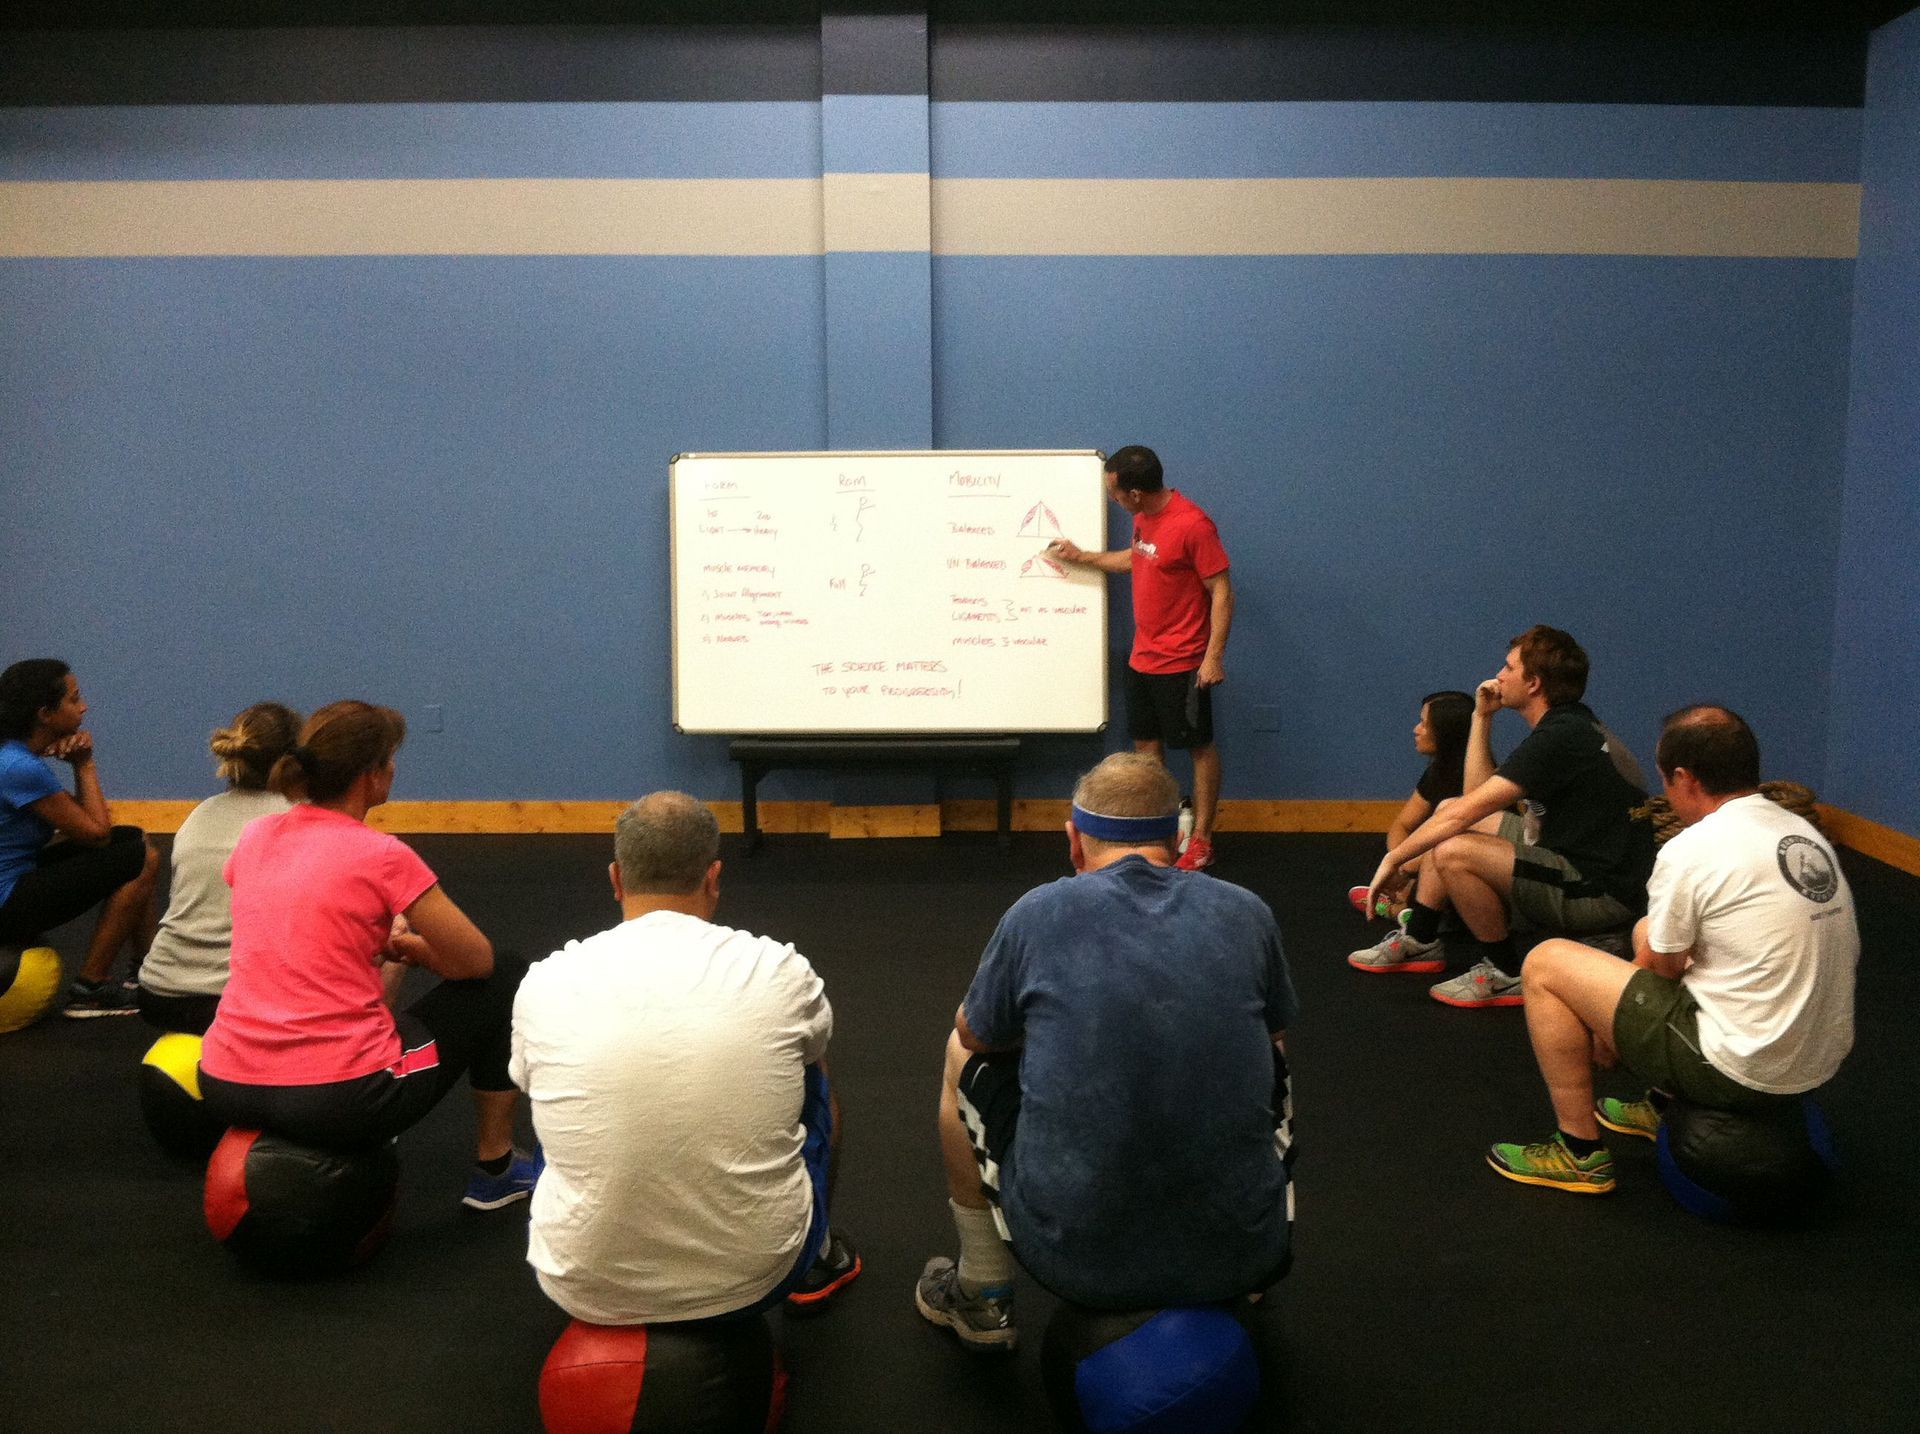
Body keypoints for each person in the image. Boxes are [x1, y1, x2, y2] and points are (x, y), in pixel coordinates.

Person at [917, 753, 1296, 1352]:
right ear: (1177, 839)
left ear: (1074, 840)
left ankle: (982, 1291)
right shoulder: (1246, 911)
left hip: (1075, 1260)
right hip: (1244, 1251)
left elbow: (976, 1035)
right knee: (1272, 1053)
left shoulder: (1037, 912)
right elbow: (1271, 1035)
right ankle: (1246, 1274)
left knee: (956, 1055)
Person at [510, 791, 859, 1325]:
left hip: (577, 1281)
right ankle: (818, 1258)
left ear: (616, 880)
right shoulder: (780, 970)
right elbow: (811, 1064)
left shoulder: (544, 981)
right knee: (812, 1071)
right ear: (713, 878)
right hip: (761, 1274)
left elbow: (531, 1086)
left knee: (560, 1103)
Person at [1487, 706, 1858, 1193]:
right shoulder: (1802, 833)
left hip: (1743, 1070)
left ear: (1684, 778)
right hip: (1818, 1060)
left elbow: (1659, 972)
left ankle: (1578, 1152)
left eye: (1665, 780)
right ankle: (1660, 1105)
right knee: (1647, 929)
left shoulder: (1691, 849)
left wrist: (1605, 1031)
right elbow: (1661, 953)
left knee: (1545, 963)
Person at [198, 701, 538, 1210]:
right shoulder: (383, 855)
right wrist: (409, 947)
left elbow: (294, 926)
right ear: (371, 775)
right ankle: (497, 1168)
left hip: (224, 1080)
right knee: (505, 974)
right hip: (340, 1095)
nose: (394, 769)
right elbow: (476, 962)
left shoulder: (255, 835)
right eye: (390, 758)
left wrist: (380, 943)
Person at [1351, 626, 1654, 1009]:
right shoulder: (1568, 725)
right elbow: (1474, 800)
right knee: (1447, 811)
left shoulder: (1560, 737)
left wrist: (1394, 859)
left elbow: (1465, 813)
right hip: (1578, 858)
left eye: (1509, 667)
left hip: (1599, 892)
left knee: (1453, 851)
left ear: (1534, 683)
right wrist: (1482, 717)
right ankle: (1421, 937)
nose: (1498, 675)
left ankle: (1505, 971)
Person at [1047, 445, 1232, 871]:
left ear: (1134, 493)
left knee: (1199, 747)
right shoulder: (1143, 518)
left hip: (1183, 661)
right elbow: (1139, 558)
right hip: (1142, 658)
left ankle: (1202, 840)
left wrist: (1213, 657)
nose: (1112, 499)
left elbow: (1222, 591)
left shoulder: (1193, 525)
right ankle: (1156, 832)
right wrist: (1082, 557)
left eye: (1114, 493)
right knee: (1146, 747)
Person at [0, 658, 159, 1018]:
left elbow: (84, 823)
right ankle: (91, 988)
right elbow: (97, 834)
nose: (83, 707)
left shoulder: (12, 756)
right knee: (141, 856)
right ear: (45, 714)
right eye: (74, 699)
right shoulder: (19, 767)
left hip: (15, 882)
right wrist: (84, 763)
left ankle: (146, 973)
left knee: (133, 841)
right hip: (5, 906)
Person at [136, 702, 300, 1035]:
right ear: (295, 761)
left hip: (157, 993)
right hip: (234, 1002)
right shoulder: (298, 820)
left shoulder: (200, 813)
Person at [1348, 689, 1476, 921]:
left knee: (1445, 864)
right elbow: (1402, 825)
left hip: (1458, 863)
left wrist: (1406, 871)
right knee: (1377, 851)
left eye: (1424, 724)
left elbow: (1460, 845)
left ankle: (1397, 910)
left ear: (1446, 733)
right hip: (1419, 863)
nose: (1416, 730)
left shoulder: (1476, 779)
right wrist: (1399, 864)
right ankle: (1405, 904)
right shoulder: (1437, 772)